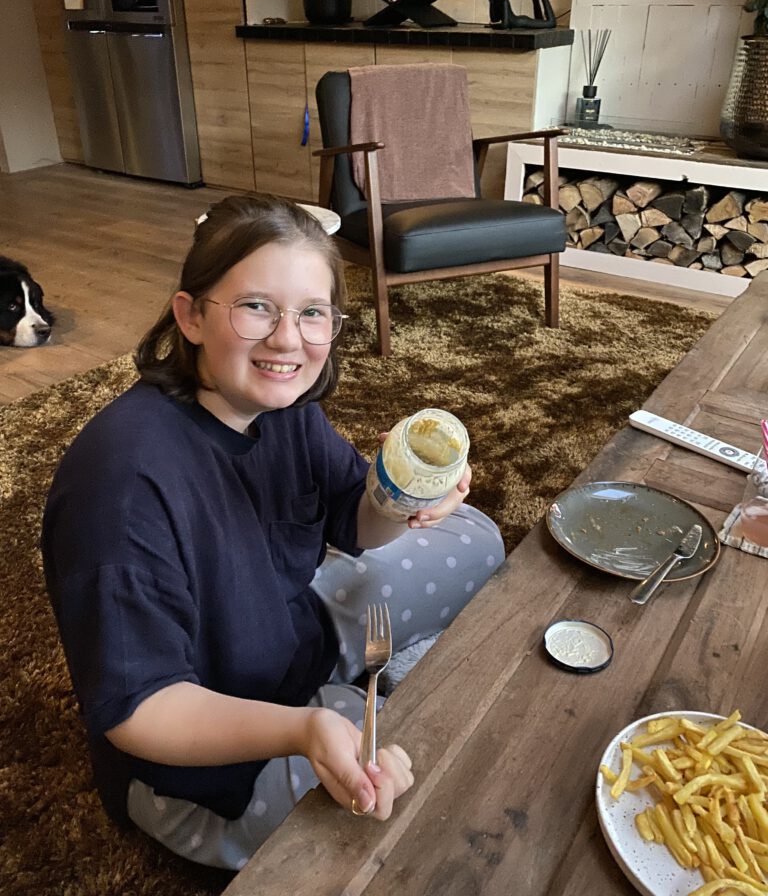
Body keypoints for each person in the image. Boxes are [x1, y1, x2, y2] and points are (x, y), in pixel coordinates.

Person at [42, 194, 504, 871]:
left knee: (477, 535)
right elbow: (140, 708)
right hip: (200, 761)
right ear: (191, 315)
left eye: (312, 313)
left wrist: (396, 498)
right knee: (420, 798)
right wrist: (305, 729)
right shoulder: (119, 484)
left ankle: (356, 687)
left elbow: (354, 525)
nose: (288, 340)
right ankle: (354, 697)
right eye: (256, 306)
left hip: (288, 635)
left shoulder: (280, 404)